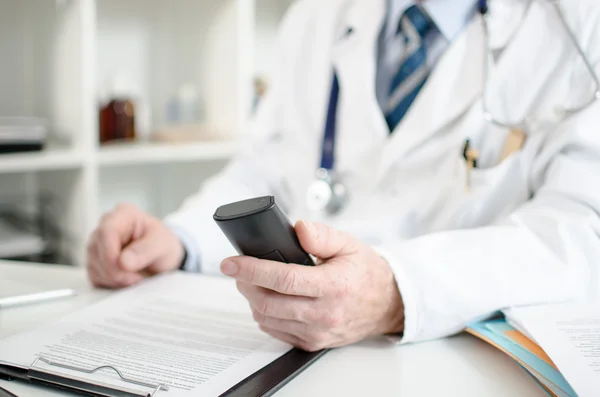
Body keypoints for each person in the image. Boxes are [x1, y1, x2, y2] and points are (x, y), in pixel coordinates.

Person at [87, 0, 600, 352]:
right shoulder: (318, 13)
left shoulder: (579, 28)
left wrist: (398, 293)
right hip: (301, 358)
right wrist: (177, 238)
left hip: (459, 359)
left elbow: (580, 230)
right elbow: (264, 168)